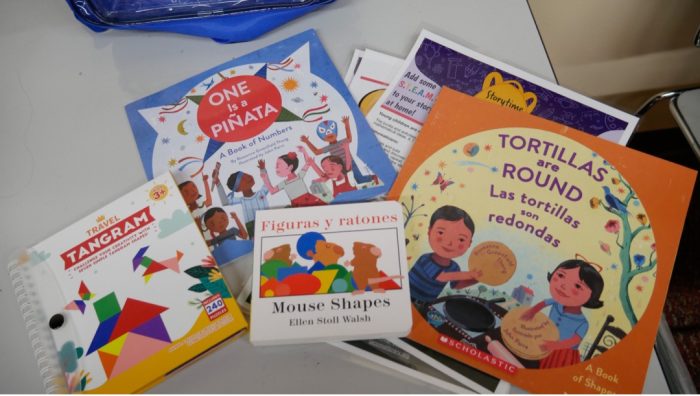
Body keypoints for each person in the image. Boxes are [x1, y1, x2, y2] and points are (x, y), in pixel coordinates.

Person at [521, 258, 605, 368]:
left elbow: (573, 342)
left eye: (578, 286)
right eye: (561, 276)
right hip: (544, 341)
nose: (563, 286)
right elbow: (543, 303)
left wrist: (554, 345)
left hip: (561, 355)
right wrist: (531, 312)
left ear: (591, 297)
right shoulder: (557, 302)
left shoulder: (583, 323)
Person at [408, 205, 482, 305]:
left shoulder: (454, 267)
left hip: (425, 304)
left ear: (469, 243)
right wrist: (470, 274)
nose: (449, 243)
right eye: (441, 233)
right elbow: (442, 277)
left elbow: (456, 285)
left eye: (461, 239)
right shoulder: (425, 259)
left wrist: (476, 279)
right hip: (407, 298)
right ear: (430, 231)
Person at [300, 116, 378, 186]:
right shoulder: (328, 147)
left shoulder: (342, 142)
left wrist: (346, 124)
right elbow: (316, 152)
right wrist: (307, 141)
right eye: (327, 136)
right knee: (343, 181)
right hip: (338, 167)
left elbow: (349, 138)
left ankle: (371, 178)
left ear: (336, 134)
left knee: (359, 179)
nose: (329, 135)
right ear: (323, 139)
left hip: (350, 163)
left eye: (332, 134)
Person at [258, 148, 326, 207]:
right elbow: (272, 191)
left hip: (310, 200)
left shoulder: (299, 176)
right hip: (297, 205)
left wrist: (304, 151)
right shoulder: (284, 183)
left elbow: (308, 163)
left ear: (290, 167)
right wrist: (263, 170)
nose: (276, 168)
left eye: (278, 165)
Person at [215, 171, 269, 238]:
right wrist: (217, 183)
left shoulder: (261, 193)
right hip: (253, 227)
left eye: (246, 174)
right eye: (243, 178)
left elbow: (267, 184)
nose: (248, 177)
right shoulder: (242, 200)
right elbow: (225, 202)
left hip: (269, 221)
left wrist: (262, 169)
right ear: (237, 189)